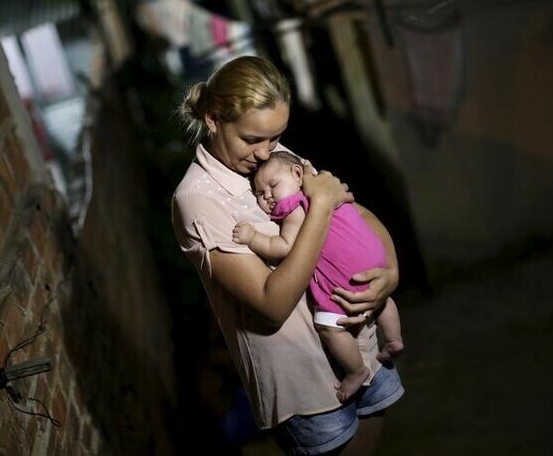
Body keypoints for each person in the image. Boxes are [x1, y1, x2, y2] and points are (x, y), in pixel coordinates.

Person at [171, 55, 404, 455]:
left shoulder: (276, 155)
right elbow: (272, 302)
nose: (265, 153)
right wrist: (321, 207)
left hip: (360, 344)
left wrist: (391, 271)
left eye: (275, 138)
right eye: (252, 139)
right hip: (305, 383)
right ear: (212, 119)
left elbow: (352, 212)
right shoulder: (196, 200)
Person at [232, 151, 404, 403]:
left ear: (297, 174)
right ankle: (394, 338)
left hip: (344, 272)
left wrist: (253, 238)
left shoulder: (293, 206)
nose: (267, 196)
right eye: (259, 193)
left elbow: (286, 245)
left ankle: (356, 370)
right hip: (373, 255)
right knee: (382, 300)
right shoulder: (323, 185)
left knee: (328, 326)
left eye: (272, 186)